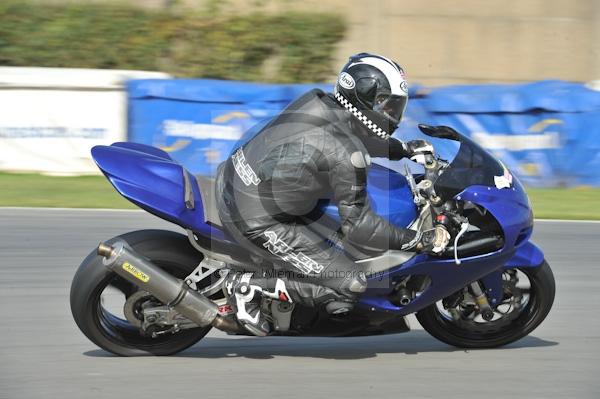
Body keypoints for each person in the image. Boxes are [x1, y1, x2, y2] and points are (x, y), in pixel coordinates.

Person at [215, 52, 451, 336]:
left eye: (394, 105)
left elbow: (353, 134)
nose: (391, 113)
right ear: (363, 97)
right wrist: (418, 240)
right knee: (351, 283)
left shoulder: (318, 102)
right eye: (385, 104)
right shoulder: (346, 154)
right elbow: (360, 228)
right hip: (256, 218)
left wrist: (402, 150)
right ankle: (247, 287)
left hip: (234, 178)